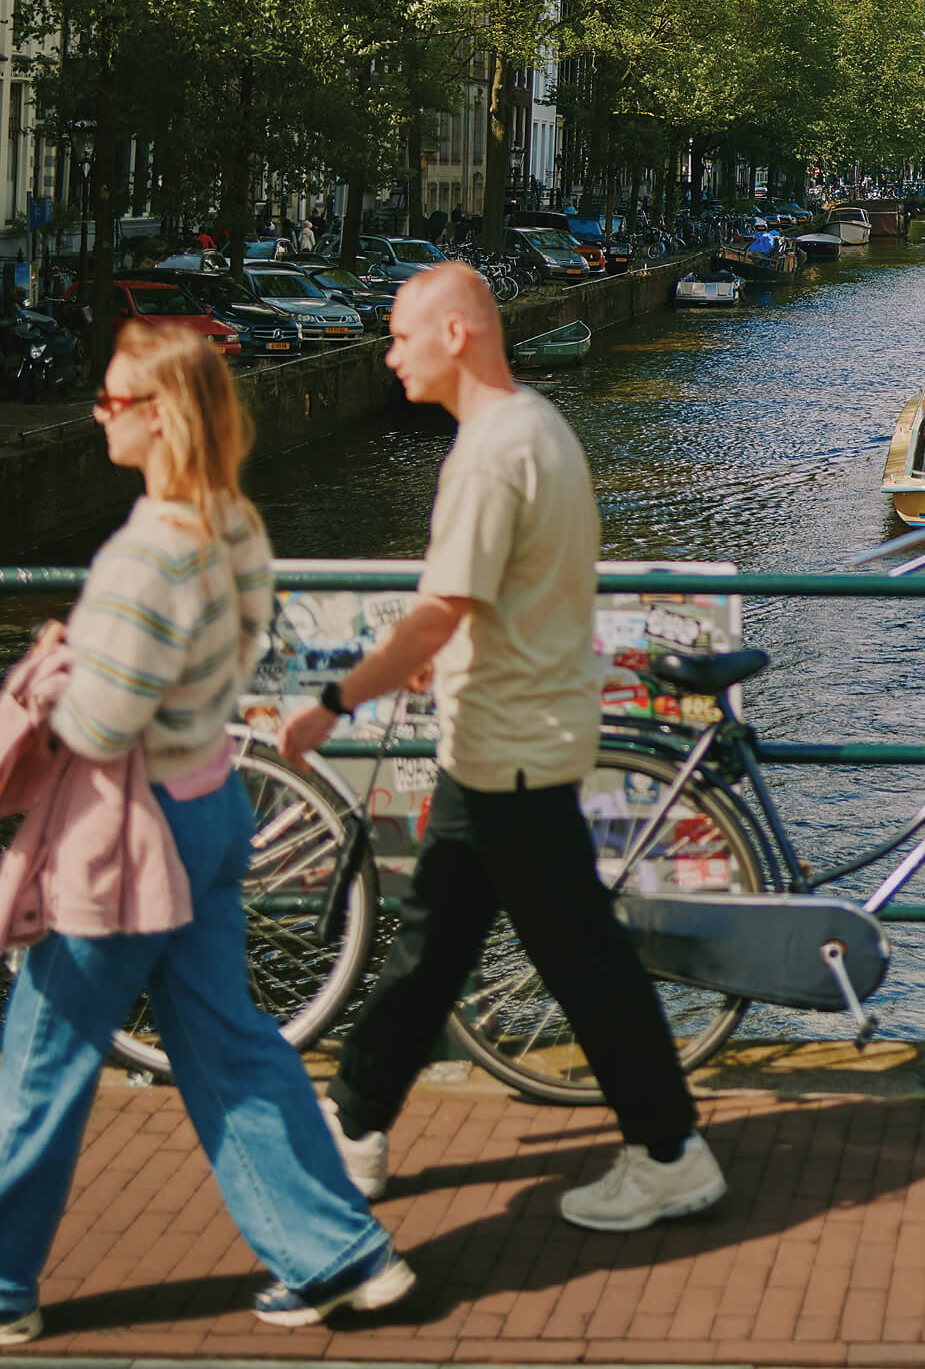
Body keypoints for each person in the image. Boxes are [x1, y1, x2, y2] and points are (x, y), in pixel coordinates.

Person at [278, 264, 722, 1232]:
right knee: (440, 944)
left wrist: (329, 698)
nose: (386, 352)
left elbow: (441, 606)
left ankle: (668, 1149)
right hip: (518, 732)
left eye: (398, 335)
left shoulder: (487, 452)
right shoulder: (541, 430)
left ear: (452, 334)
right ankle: (358, 1121)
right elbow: (511, 592)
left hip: (510, 747)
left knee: (574, 957)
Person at [0, 325, 413, 1346]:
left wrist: (53, 666)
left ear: (159, 413)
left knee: (41, 1054)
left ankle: (1, 1285)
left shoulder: (152, 548)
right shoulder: (233, 522)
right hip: (213, 801)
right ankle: (342, 1252)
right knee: (232, 1044)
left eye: (112, 398)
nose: (98, 412)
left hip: (127, 829)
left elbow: (102, 723)